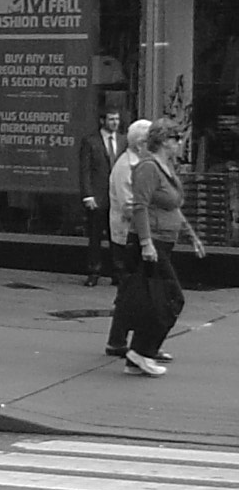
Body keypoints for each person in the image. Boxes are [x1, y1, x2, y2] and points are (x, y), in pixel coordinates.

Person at [121, 117, 207, 378]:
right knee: (170, 298)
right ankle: (142, 352)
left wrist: (192, 235)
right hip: (152, 243)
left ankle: (138, 355)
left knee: (155, 300)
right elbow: (140, 206)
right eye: (176, 139)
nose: (180, 143)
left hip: (164, 241)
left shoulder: (165, 167)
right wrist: (146, 243)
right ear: (164, 142)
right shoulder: (148, 168)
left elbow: (174, 205)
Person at [103, 117, 149, 359]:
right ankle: (118, 341)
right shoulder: (125, 166)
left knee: (137, 289)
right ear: (140, 143)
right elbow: (128, 205)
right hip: (126, 236)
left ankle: (127, 341)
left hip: (137, 234)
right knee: (130, 289)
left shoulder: (142, 164)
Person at [75, 107, 123, 285]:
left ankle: (117, 272)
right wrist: (88, 195)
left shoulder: (124, 140)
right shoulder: (90, 141)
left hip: (117, 197)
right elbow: (85, 170)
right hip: (98, 196)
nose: (115, 123)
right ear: (103, 121)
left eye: (117, 119)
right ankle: (94, 272)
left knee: (116, 236)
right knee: (95, 236)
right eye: (111, 119)